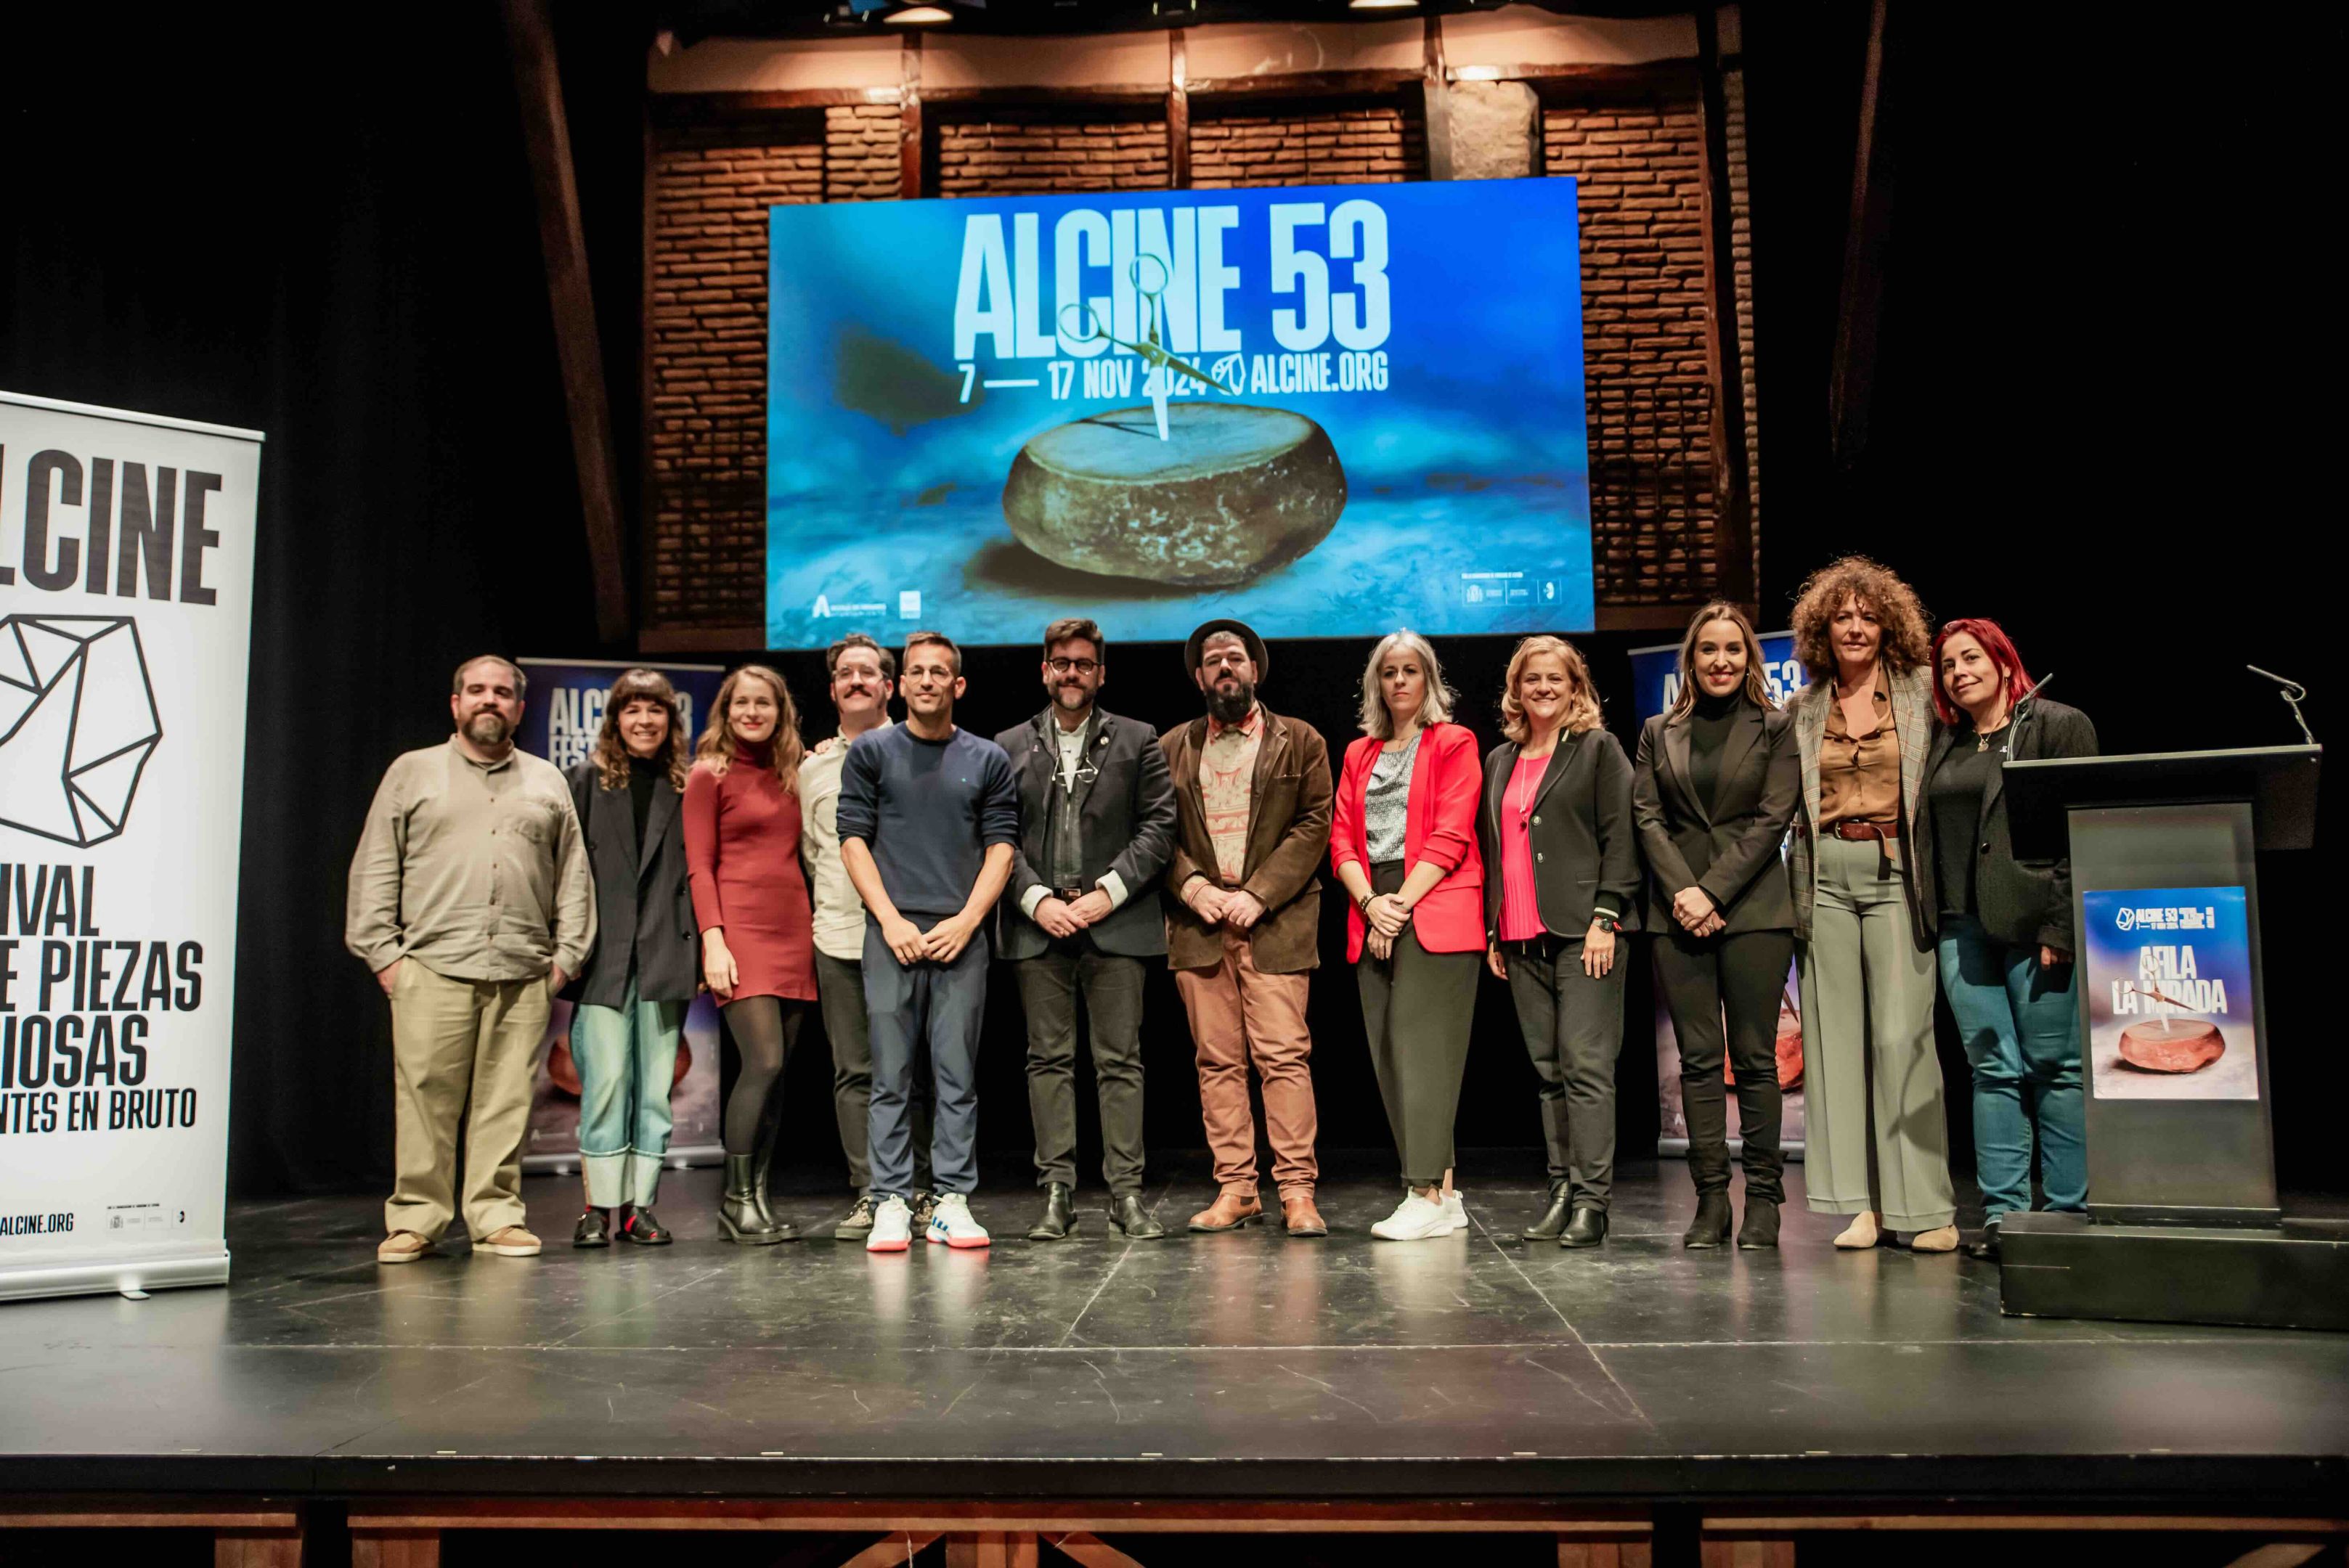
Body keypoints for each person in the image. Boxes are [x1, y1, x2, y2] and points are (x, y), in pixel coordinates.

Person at [346, 655, 593, 1264]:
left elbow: (574, 877)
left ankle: (496, 1216)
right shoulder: (413, 771)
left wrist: (563, 961)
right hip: (431, 965)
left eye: (503, 692)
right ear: (455, 704)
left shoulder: (545, 780)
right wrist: (385, 957)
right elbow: (375, 865)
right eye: (477, 691)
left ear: (519, 707)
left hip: (523, 967)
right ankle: (417, 1219)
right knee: (426, 1096)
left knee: (506, 1099)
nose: (490, 700)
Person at [1786, 557, 1959, 1253]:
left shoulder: (1920, 693)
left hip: (1896, 872)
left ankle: (1925, 1207)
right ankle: (1861, 1206)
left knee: (1900, 1039)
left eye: (1866, 616)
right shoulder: (1803, 708)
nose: (1854, 627)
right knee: (1834, 1045)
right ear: (1821, 629)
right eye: (1841, 616)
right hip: (1824, 874)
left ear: (1887, 625)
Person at [1915, 618, 2098, 1260]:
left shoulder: (2055, 724)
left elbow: (2082, 830)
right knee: (1990, 1071)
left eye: (1970, 658)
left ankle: (2069, 1212)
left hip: (2034, 927)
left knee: (2055, 1069)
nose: (1958, 672)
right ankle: (2003, 1216)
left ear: (2000, 660)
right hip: (1961, 929)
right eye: (1946, 665)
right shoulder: (1946, 741)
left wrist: (2059, 924)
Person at [996, 618, 1178, 1242]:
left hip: (1116, 924)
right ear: (1044, 671)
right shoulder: (1007, 745)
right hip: (1039, 928)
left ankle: (1126, 1195)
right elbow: (996, 839)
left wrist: (1106, 894)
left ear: (1101, 674)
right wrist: (1037, 899)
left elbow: (1158, 829)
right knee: (1046, 1060)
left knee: (1119, 1062)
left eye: (1082, 663)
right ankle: (1057, 1194)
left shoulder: (1138, 739)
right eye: (1060, 663)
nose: (1070, 673)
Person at [837, 632, 1019, 1253]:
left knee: (955, 1074)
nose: (925, 681)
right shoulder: (871, 752)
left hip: (958, 936)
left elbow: (1002, 846)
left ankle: (950, 1200)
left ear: (956, 685)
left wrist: (968, 922)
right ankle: (890, 1198)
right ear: (901, 683)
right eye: (915, 671)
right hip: (892, 932)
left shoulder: (987, 758)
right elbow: (853, 840)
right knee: (889, 1073)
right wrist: (888, 919)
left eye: (938, 672)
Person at [1631, 605, 1801, 1251]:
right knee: (1698, 1062)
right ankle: (1710, 1201)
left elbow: (1773, 816)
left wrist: (1711, 891)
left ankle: (1763, 1200)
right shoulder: (1656, 731)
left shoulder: (1776, 727)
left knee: (1755, 1059)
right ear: (1691, 660)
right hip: (1676, 914)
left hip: (1753, 908)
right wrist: (1683, 892)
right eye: (1708, 650)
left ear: (1749, 658)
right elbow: (1647, 817)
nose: (1721, 660)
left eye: (1733, 649)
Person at [1160, 619, 1335, 1240]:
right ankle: (1237, 1188)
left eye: (1235, 658)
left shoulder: (1300, 740)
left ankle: (1295, 1191)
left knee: (1284, 1058)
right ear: (1200, 677)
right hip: (1199, 925)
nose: (1224, 668)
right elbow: (1157, 833)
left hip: (1276, 922)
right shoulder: (1171, 747)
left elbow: (1315, 823)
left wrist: (1257, 894)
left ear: (1254, 670)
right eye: (1213, 661)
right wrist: (1195, 887)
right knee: (1216, 1062)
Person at [1478, 635, 1640, 1249]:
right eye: (1531, 680)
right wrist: (1496, 927)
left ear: (1576, 688)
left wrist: (1606, 916)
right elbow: (1499, 848)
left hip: (1584, 932)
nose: (1543, 689)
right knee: (1548, 1073)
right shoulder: (1500, 759)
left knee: (1585, 1068)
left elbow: (1621, 835)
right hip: (1519, 935)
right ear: (1516, 690)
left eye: (1555, 679)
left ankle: (1593, 1202)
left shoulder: (1597, 750)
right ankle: (1561, 1192)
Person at [1331, 631, 1484, 1242]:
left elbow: (1451, 834)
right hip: (1373, 901)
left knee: (1423, 1053)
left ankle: (1421, 1190)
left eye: (1410, 671)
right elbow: (1341, 837)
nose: (1399, 681)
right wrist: (1371, 904)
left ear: (1428, 681)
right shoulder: (1358, 753)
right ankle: (1443, 1193)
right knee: (1391, 1054)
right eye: (1389, 672)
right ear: (1377, 683)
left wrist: (1397, 906)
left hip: (1432, 899)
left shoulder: (1454, 741)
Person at [799, 633, 935, 1241]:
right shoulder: (811, 768)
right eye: (845, 674)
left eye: (869, 673)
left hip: (909, 935)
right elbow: (811, 852)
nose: (856, 682)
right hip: (839, 936)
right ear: (832, 689)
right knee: (855, 1070)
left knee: (913, 1069)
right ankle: (872, 1192)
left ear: (890, 685)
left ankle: (926, 1187)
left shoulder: (922, 751)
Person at [684, 663, 818, 1245]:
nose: (752, 713)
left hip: (793, 929)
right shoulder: (707, 774)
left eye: (763, 703)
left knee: (778, 1075)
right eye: (742, 703)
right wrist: (713, 940)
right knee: (760, 1063)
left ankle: (758, 1199)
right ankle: (734, 1203)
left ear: (779, 711)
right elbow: (698, 865)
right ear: (727, 709)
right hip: (739, 931)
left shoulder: (792, 772)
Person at [565, 669, 698, 1249]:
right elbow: (563, 872)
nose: (644, 720)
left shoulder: (689, 786)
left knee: (653, 1091)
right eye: (632, 710)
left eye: (655, 710)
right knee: (606, 1081)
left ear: (671, 721)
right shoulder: (584, 783)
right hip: (603, 955)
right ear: (615, 720)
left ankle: (639, 1207)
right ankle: (597, 1207)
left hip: (666, 951)